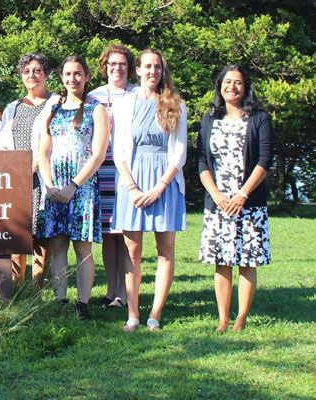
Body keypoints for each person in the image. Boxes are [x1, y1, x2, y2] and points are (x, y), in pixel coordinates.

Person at [113, 49, 187, 332]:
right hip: (132, 181)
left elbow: (179, 152)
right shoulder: (125, 104)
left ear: (162, 70)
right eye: (147, 66)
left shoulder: (175, 104)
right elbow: (119, 149)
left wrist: (159, 187)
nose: (152, 71)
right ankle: (133, 315)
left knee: (165, 250)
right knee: (131, 252)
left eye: (157, 66)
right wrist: (132, 188)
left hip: (164, 182)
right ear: (139, 70)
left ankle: (155, 314)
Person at [197, 64, 274, 333]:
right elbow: (202, 161)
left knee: (246, 260)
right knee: (222, 260)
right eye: (227, 82)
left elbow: (265, 160)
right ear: (219, 86)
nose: (232, 87)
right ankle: (222, 319)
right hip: (218, 202)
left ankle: (241, 317)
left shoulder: (259, 118)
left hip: (248, 202)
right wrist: (216, 195)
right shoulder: (209, 119)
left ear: (246, 87)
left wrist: (242, 194)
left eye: (238, 82)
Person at [36, 56, 109, 320]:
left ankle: (83, 304)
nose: (72, 79)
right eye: (67, 74)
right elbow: (43, 151)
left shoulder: (96, 109)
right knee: (56, 247)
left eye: (78, 74)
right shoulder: (54, 108)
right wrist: (50, 185)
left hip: (82, 186)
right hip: (55, 185)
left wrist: (73, 185)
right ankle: (60, 299)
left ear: (87, 76)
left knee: (82, 248)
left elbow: (98, 154)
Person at [0, 53, 58, 286]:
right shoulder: (13, 107)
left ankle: (37, 285)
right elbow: (0, 142)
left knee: (41, 233)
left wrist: (34, 165)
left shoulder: (56, 103)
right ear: (21, 76)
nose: (32, 75)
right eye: (27, 71)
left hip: (42, 176)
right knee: (17, 231)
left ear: (46, 75)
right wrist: (13, 169)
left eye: (37, 70)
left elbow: (56, 142)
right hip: (16, 179)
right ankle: (17, 284)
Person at [88, 44, 139, 308]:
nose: (116, 68)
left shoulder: (138, 94)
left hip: (130, 169)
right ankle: (111, 290)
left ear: (129, 67)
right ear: (104, 66)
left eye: (121, 64)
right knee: (109, 232)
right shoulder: (94, 96)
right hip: (103, 168)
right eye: (112, 63)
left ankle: (125, 291)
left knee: (127, 232)